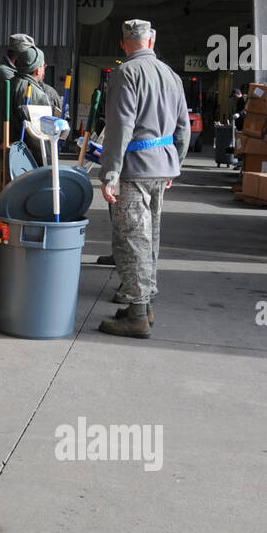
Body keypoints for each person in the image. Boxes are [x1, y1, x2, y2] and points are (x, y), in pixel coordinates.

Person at [97, 19, 190, 339]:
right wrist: (175, 163)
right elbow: (183, 127)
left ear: (124, 44)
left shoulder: (126, 73)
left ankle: (137, 315)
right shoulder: (172, 75)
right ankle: (145, 305)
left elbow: (120, 127)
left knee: (131, 240)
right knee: (150, 240)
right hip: (161, 167)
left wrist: (110, 173)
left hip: (133, 170)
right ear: (151, 40)